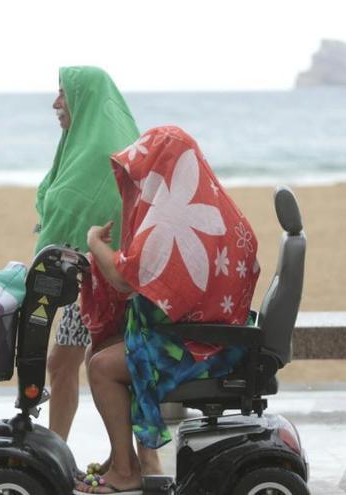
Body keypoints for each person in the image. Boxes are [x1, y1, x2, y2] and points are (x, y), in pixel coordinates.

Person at [75, 126, 260, 494]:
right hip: (219, 333)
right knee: (104, 346)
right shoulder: (217, 208)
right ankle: (127, 458)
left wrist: (95, 244)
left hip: (204, 346)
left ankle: (127, 473)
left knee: (101, 367)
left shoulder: (174, 216)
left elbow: (127, 278)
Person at [34, 66, 140, 450]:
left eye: (63, 94)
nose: (56, 103)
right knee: (67, 366)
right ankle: (59, 452)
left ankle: (134, 464)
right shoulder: (92, 140)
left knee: (95, 366)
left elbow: (79, 207)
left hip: (109, 283)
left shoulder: (99, 150)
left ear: (84, 98)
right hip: (92, 277)